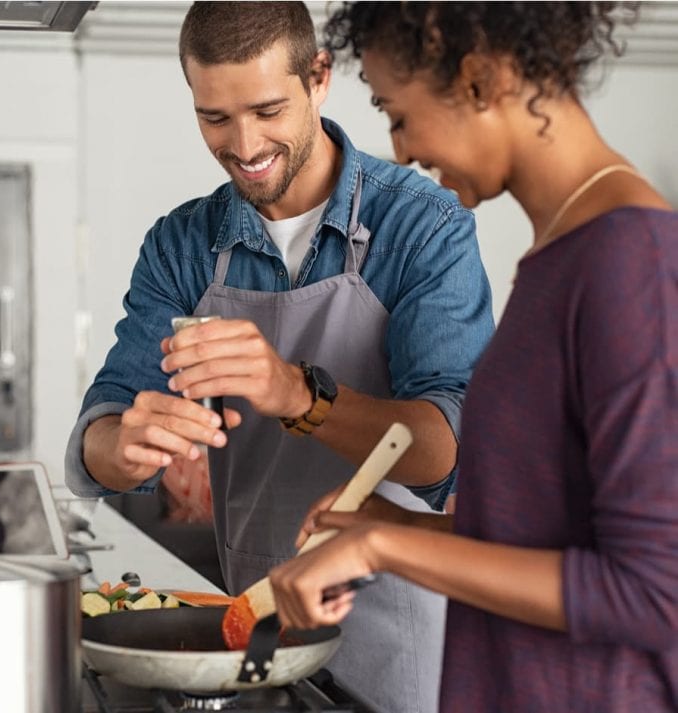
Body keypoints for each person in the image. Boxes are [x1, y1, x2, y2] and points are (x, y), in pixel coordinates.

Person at [65, 3, 495, 711]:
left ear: (319, 77)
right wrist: (125, 443)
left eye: (267, 109)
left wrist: (296, 392)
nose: (244, 143)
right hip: (258, 633)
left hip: (402, 646)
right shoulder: (182, 245)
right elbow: (97, 439)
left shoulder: (423, 225)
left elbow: (446, 448)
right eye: (215, 118)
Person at [269, 3, 678, 711]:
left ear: (480, 82)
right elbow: (544, 532)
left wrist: (383, 552)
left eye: (399, 114)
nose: (399, 149)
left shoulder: (631, 263)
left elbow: (654, 590)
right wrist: (390, 526)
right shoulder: (560, 256)